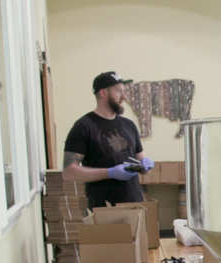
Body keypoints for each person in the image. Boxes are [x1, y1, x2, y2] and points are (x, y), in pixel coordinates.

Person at [62, 71, 154, 209]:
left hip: (135, 205)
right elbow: (69, 172)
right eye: (119, 91)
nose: (124, 97)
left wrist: (145, 166)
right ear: (103, 93)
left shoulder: (129, 125)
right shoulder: (83, 127)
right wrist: (109, 172)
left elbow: (141, 161)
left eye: (124, 91)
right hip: (103, 209)